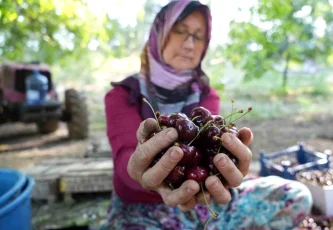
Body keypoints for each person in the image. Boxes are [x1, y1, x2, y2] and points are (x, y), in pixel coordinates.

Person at [102, 0, 312, 229]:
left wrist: (222, 171)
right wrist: (140, 171)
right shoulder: (123, 95)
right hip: (143, 209)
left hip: (205, 206)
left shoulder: (205, 94)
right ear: (159, 34)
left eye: (198, 36)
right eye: (180, 31)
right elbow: (125, 159)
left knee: (295, 195)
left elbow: (207, 151)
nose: (189, 44)